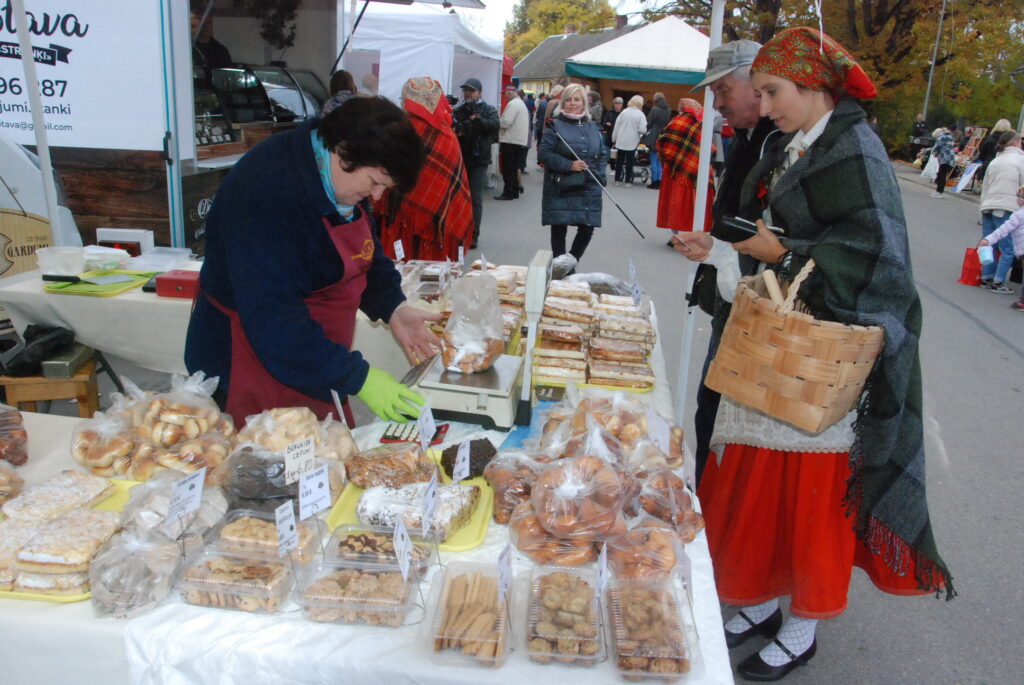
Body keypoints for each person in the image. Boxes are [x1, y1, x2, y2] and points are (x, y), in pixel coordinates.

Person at [685, 28, 953, 681]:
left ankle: (802, 624)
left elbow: (880, 267)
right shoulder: (803, 142)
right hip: (778, 353)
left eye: (773, 91)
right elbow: (787, 229)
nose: (764, 103)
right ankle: (761, 600)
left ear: (812, 86)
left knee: (808, 502)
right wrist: (735, 248)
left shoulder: (854, 150)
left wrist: (781, 254)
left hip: (823, 363)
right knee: (758, 486)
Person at [185, 97, 442, 427]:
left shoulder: (337, 176)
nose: (377, 197)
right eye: (375, 183)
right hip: (252, 355)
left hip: (313, 353)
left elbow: (366, 253)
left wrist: (393, 306)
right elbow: (273, 321)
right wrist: (359, 378)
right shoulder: (266, 194)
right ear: (343, 150)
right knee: (262, 464)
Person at [671, 38, 779, 485]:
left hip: (758, 309)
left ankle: (712, 517)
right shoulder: (748, 138)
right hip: (732, 295)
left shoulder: (781, 143)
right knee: (709, 412)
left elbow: (771, 236)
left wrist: (722, 248)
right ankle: (708, 508)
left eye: (722, 91)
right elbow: (735, 218)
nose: (717, 103)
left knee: (723, 420)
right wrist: (714, 245)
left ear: (756, 85)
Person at [374, 77, 473, 263]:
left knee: (400, 268)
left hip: (400, 219)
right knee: (433, 272)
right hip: (437, 225)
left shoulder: (399, 131)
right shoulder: (447, 135)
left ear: (407, 102)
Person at [538, 83, 606, 270]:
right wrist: (569, 165)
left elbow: (601, 153)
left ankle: (570, 263)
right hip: (562, 186)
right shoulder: (555, 126)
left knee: (587, 227)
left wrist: (600, 175)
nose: (572, 103)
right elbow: (543, 154)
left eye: (577, 99)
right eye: (568, 99)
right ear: (563, 102)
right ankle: (562, 269)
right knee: (559, 227)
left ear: (584, 102)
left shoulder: (593, 127)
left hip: (589, 186)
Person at [655, 98, 714, 239]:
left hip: (675, 171)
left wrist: (666, 159)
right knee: (693, 204)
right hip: (697, 169)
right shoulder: (702, 123)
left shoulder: (677, 121)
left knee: (676, 203)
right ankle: (692, 233)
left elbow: (663, 142)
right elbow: (710, 148)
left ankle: (675, 235)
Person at [452, 78, 499, 249]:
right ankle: (458, 232)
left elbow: (495, 126)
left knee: (475, 198)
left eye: (471, 90)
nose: (467, 93)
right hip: (460, 158)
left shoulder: (488, 109)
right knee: (457, 197)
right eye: (465, 90)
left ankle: (473, 235)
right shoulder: (460, 109)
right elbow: (454, 128)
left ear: (479, 92)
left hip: (479, 160)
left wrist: (478, 120)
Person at [977, 130, 1024, 292]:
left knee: (990, 243)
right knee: (1008, 248)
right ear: (1017, 143)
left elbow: (985, 186)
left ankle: (986, 276)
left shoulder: (996, 161)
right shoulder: (1020, 160)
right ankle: (998, 282)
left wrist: (982, 206)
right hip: (1007, 206)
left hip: (988, 205)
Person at [978, 185, 1024, 308]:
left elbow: (1003, 230)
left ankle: (1022, 303)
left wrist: (988, 240)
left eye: (1019, 197)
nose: (1016, 199)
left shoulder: (1018, 215)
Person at [496, 86, 530, 200]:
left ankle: (508, 193)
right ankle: (514, 191)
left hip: (510, 140)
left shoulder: (513, 104)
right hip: (518, 140)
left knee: (508, 169)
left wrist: (497, 121)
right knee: (514, 167)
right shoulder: (520, 103)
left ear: (510, 93)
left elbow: (506, 122)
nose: (504, 96)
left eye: (505, 93)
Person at [611, 95, 647, 186]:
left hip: (621, 140)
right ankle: (628, 181)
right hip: (632, 141)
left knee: (619, 161)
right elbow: (643, 129)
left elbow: (617, 126)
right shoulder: (640, 114)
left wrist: (614, 137)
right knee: (630, 162)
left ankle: (617, 180)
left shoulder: (624, 112)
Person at [645, 92, 672, 189]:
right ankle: (660, 180)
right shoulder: (669, 109)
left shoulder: (654, 109)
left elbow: (648, 123)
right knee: (660, 160)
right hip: (664, 135)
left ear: (655, 99)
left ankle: (654, 181)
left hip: (655, 134)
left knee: (653, 159)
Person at [976, 118, 1013, 183]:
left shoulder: (989, 138)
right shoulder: (1010, 141)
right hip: (1004, 167)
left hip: (988, 165)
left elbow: (982, 154)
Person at [930, 123, 958, 197]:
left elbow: (938, 145)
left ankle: (939, 192)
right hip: (949, 157)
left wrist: (934, 152)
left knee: (942, 174)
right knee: (942, 173)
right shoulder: (949, 136)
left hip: (945, 157)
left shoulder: (943, 136)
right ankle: (938, 191)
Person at [602, 96, 624, 176]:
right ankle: (613, 168)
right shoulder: (609, 112)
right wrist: (606, 123)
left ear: (622, 105)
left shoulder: (623, 113)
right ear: (614, 104)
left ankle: (619, 168)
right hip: (611, 134)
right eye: (616, 104)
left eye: (619, 104)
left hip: (620, 135)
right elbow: (604, 121)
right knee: (612, 153)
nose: (617, 105)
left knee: (620, 154)